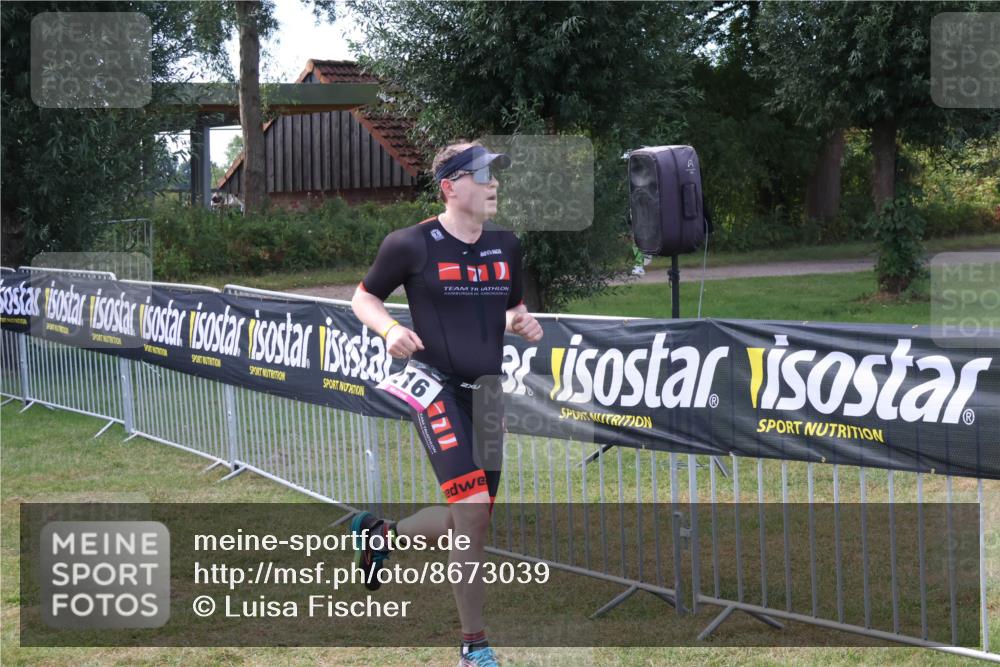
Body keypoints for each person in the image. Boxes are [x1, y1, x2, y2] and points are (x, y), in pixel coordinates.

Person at [350, 141, 543, 667]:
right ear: (450, 187)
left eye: (495, 174)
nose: (493, 183)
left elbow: (508, 309)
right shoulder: (410, 244)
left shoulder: (507, 246)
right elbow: (363, 296)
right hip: (433, 387)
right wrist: (389, 328)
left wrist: (523, 322)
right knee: (473, 511)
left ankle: (380, 535)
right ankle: (473, 646)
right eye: (481, 175)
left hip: (487, 393)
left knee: (470, 519)